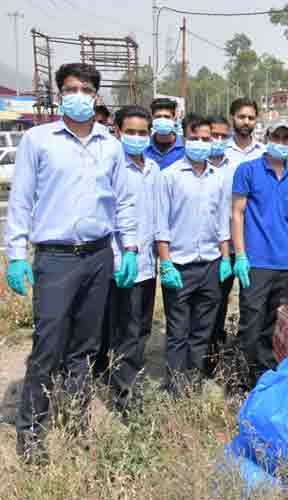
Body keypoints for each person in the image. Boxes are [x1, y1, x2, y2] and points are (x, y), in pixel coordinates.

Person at [5, 63, 137, 464]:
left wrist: (128, 248)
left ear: (96, 97)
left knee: (84, 347)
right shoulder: (38, 141)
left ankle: (78, 423)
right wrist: (15, 254)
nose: (78, 95)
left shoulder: (110, 146)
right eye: (70, 89)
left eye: (85, 89)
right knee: (48, 346)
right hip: (56, 259)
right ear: (60, 94)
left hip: (97, 255)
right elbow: (21, 200)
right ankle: (31, 432)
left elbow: (123, 202)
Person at [155, 116, 231, 398]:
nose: (201, 143)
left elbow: (223, 222)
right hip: (180, 266)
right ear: (184, 137)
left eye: (206, 138)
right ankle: (175, 387)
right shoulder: (170, 176)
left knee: (203, 329)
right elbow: (161, 224)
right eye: (195, 137)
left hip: (211, 265)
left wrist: (226, 259)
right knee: (178, 330)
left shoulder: (218, 178)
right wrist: (165, 262)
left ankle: (194, 380)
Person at [231, 121, 288, 392]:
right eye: (277, 136)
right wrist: (240, 254)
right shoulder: (248, 171)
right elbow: (237, 213)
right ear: (267, 137)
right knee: (251, 323)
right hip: (256, 263)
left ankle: (265, 380)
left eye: (287, 138)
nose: (282, 142)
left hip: (285, 264)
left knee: (276, 326)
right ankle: (241, 379)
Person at [100, 105, 161, 416]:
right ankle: (123, 397)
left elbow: (157, 217)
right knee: (124, 331)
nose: (137, 137)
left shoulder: (153, 170)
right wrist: (123, 254)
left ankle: (129, 382)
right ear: (118, 132)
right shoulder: (112, 167)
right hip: (120, 263)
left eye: (142, 132)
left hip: (148, 265)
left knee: (140, 330)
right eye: (131, 132)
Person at [206, 114, 233, 375]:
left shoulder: (235, 164)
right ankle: (203, 356)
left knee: (222, 302)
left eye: (224, 136)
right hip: (208, 247)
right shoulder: (196, 166)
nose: (217, 140)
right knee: (210, 304)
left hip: (235, 247)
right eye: (213, 135)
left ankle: (215, 353)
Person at [145, 97, 185, 170]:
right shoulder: (144, 147)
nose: (162, 120)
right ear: (152, 118)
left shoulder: (185, 147)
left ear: (174, 119)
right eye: (158, 116)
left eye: (167, 117)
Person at [225, 98, 264, 169]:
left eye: (251, 118)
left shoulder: (264, 153)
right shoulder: (222, 151)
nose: (246, 122)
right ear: (231, 118)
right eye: (241, 117)